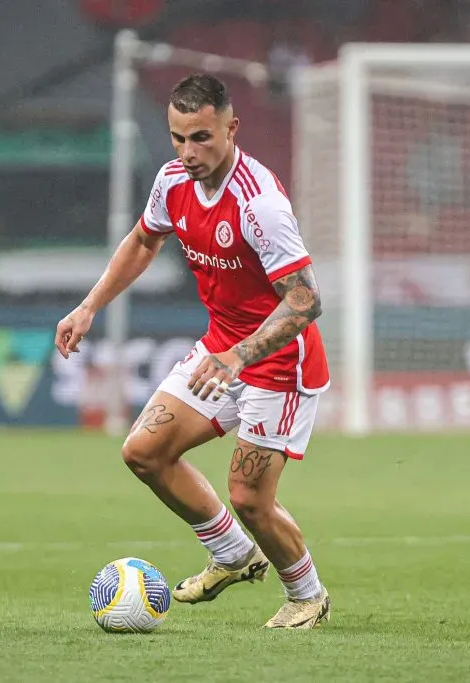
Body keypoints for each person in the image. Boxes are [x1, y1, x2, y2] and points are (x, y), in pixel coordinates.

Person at [55, 74, 331, 629]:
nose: (187, 152)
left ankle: (308, 595)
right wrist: (89, 306)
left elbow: (305, 301)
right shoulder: (173, 180)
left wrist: (237, 358)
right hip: (221, 348)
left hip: (279, 362)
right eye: (178, 138)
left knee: (250, 499)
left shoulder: (261, 206)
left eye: (201, 137)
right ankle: (233, 556)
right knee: (144, 452)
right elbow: (142, 240)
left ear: (232, 128)